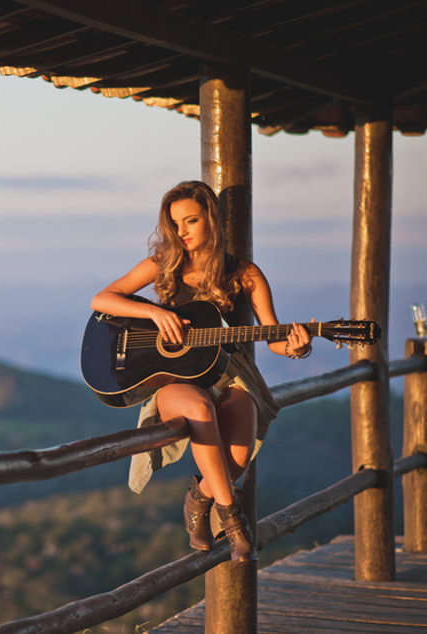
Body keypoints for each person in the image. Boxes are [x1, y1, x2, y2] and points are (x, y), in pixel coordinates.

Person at [90, 180, 313, 567]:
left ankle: (200, 498)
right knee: (199, 411)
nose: (182, 232)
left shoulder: (244, 274)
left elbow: (274, 336)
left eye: (190, 221)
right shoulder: (164, 264)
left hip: (229, 373)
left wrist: (296, 347)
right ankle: (235, 521)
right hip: (175, 378)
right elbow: (102, 299)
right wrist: (156, 312)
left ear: (211, 217)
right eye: (175, 224)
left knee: (238, 459)